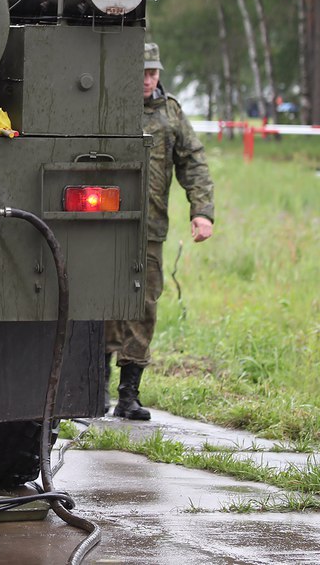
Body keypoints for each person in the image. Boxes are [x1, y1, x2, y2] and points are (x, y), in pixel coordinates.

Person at [105, 41, 215, 420]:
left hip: (150, 228)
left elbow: (193, 162)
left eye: (153, 72)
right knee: (101, 303)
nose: (148, 80)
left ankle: (128, 395)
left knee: (144, 304)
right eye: (141, 72)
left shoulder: (170, 115)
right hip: (104, 224)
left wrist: (202, 212)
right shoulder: (107, 108)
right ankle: (93, 387)